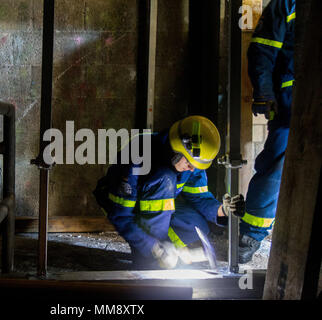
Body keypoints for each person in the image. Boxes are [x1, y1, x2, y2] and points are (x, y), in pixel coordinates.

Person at [94, 116, 245, 269]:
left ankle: (169, 250)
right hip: (123, 206)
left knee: (197, 225)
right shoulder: (139, 153)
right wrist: (154, 248)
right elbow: (121, 216)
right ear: (176, 149)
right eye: (189, 163)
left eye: (196, 165)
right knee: (164, 178)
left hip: (157, 206)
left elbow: (200, 198)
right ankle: (149, 260)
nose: (192, 169)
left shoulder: (192, 161)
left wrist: (223, 210)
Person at [240, 0, 295, 263]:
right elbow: (262, 49)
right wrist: (264, 92)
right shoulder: (288, 3)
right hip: (291, 103)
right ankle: (251, 235)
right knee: (276, 166)